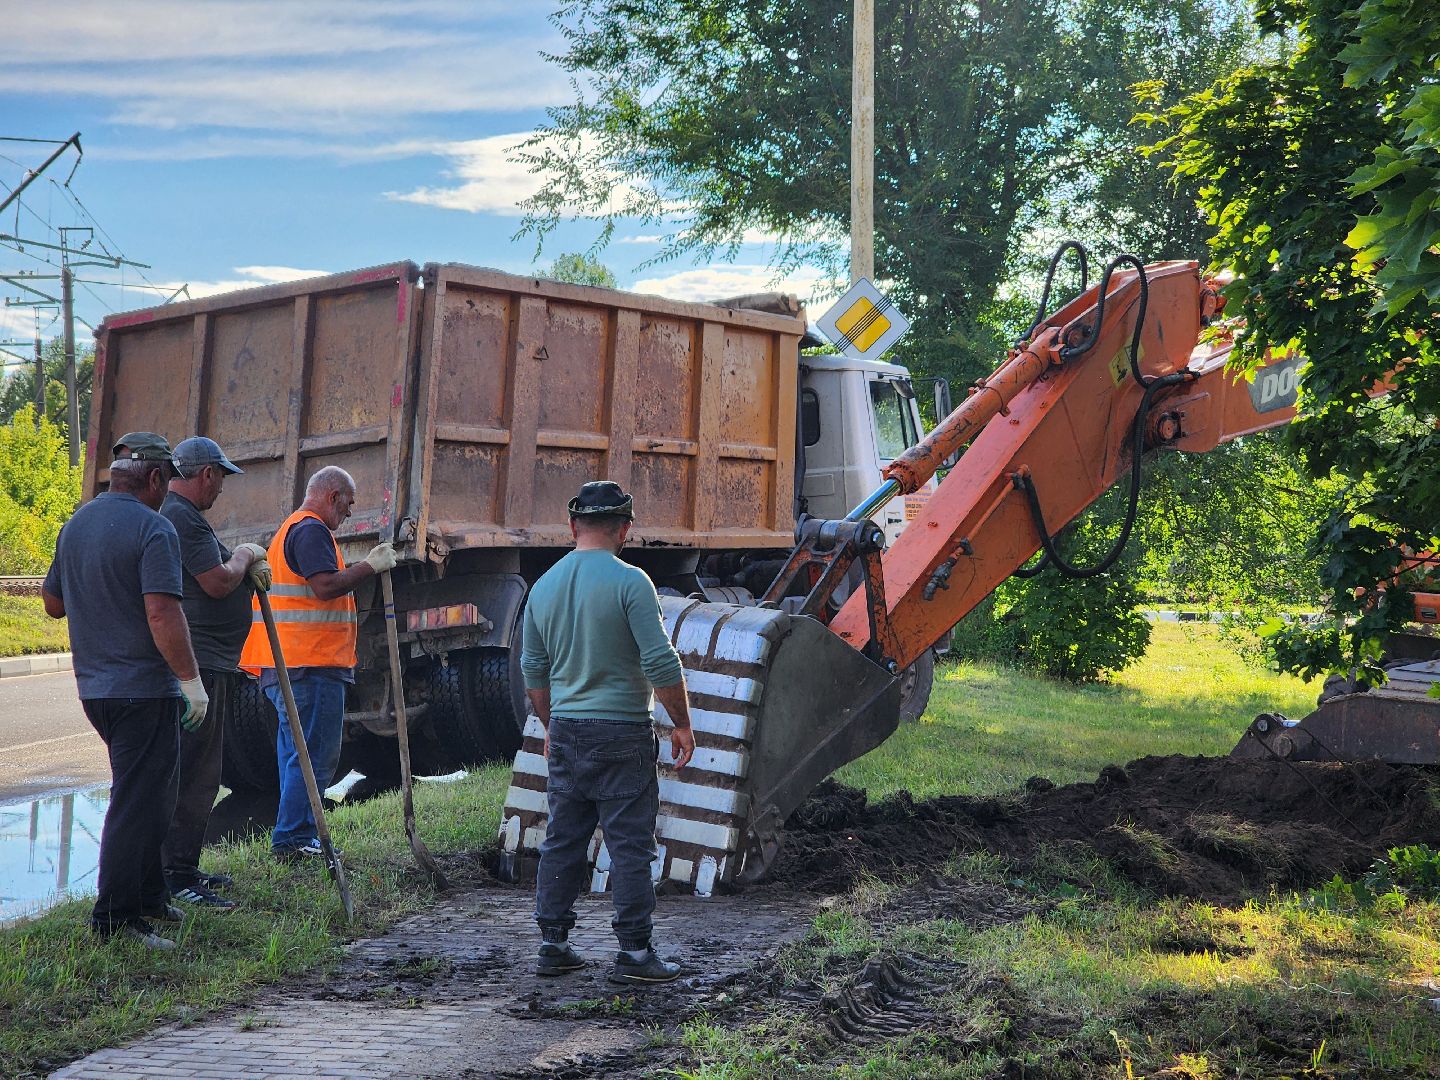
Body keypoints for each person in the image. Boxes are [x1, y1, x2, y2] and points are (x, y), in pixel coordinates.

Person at [521, 480, 697, 985]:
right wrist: (681, 722)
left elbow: (533, 671)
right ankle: (635, 955)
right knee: (629, 845)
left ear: (573, 526)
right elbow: (660, 660)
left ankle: (553, 943)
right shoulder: (632, 583)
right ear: (625, 530)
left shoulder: (543, 586)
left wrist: (553, 724)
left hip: (569, 731)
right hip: (622, 732)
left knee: (562, 840)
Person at [42, 433, 210, 951]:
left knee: (155, 793)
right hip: (143, 689)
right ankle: (114, 919)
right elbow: (163, 612)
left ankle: (150, 896)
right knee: (137, 802)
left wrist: (97, 590)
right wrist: (192, 682)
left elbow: (52, 603)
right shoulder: (154, 528)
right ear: (157, 479)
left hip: (96, 688)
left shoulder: (76, 526)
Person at [238, 466, 397, 861]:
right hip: (309, 666)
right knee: (314, 754)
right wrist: (370, 567)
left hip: (292, 665)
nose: (349, 512)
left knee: (298, 754)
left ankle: (293, 836)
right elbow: (325, 587)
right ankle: (294, 839)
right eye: (348, 503)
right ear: (332, 496)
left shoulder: (294, 528)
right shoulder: (310, 530)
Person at [158, 436, 271, 910]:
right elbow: (217, 580)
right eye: (221, 477)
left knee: (202, 770)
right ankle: (175, 876)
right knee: (195, 773)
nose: (222, 487)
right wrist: (245, 556)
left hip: (212, 661)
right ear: (206, 474)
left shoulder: (185, 520)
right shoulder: (182, 519)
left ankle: (182, 866)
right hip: (200, 663)